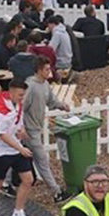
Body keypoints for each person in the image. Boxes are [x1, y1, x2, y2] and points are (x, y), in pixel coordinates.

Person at [0, 78, 37, 216]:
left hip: (15, 147)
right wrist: (21, 148)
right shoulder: (1, 107)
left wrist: (22, 131)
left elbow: (18, 122)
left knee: (28, 179)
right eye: (20, 95)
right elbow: (2, 134)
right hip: (1, 151)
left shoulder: (17, 104)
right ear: (11, 92)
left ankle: (18, 212)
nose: (23, 98)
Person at [22, 56, 72, 204]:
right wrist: (22, 127)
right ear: (38, 70)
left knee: (19, 157)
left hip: (34, 128)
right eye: (46, 69)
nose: (49, 72)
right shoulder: (30, 87)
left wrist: (62, 105)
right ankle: (56, 192)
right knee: (42, 160)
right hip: (29, 130)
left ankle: (7, 183)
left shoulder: (45, 85)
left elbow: (51, 101)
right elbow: (22, 109)